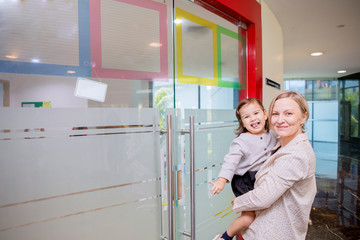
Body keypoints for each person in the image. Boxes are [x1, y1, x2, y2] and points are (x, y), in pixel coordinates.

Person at [232, 91, 317, 239]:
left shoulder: (295, 154)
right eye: (275, 114)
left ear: (304, 117)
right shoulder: (280, 144)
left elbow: (262, 198)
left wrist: (237, 201)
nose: (280, 120)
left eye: (288, 113)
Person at [209, 98, 277, 240]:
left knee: (266, 213)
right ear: (243, 123)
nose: (252, 118)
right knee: (248, 218)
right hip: (245, 180)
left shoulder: (272, 134)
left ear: (265, 114)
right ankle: (225, 237)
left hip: (260, 178)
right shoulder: (241, 141)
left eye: (256, 113)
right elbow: (230, 162)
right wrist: (221, 181)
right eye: (246, 117)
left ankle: (239, 199)